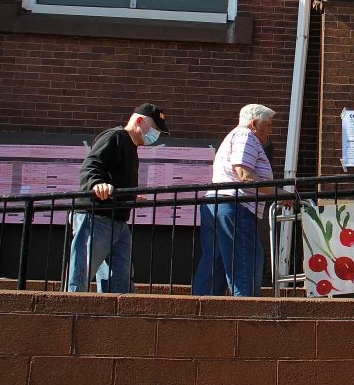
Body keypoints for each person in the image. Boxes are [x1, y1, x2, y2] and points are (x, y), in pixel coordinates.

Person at [66, 103, 169, 293]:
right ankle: (69, 311)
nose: (156, 136)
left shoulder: (131, 146)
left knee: (120, 279)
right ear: (139, 121)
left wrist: (130, 195)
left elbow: (115, 177)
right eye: (154, 130)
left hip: (118, 220)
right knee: (81, 273)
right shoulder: (114, 137)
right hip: (96, 216)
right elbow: (91, 166)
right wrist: (96, 184)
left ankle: (113, 315)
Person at [193, 104, 280, 297]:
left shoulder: (234, 136)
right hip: (235, 206)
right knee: (245, 261)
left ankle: (201, 311)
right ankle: (247, 316)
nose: (271, 130)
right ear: (255, 123)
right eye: (268, 124)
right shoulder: (246, 136)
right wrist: (280, 192)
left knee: (214, 263)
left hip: (218, 204)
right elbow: (245, 174)